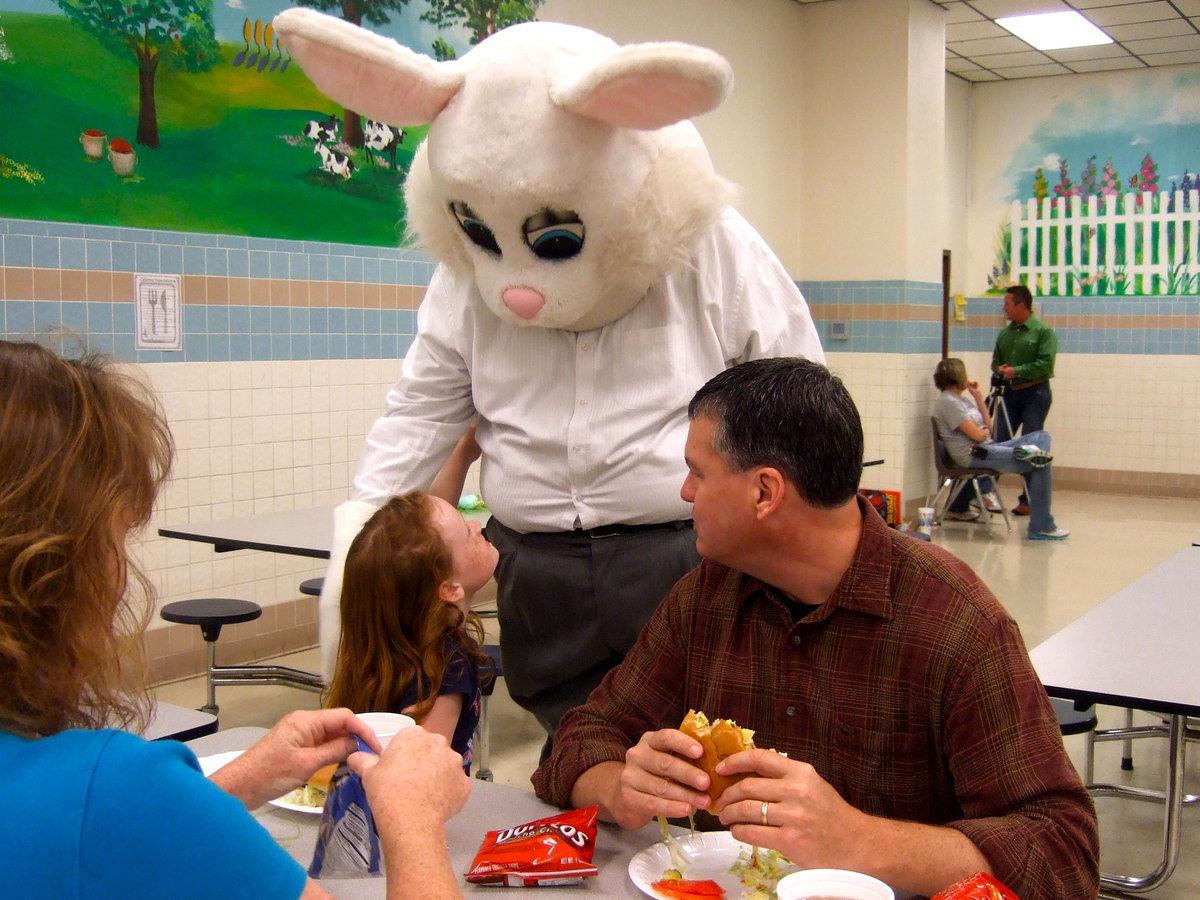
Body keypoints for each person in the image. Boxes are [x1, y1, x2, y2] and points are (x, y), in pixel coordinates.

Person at [273, 12, 825, 758]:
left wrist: (801, 559)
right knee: (572, 758)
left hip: (681, 553)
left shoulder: (710, 246)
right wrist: (360, 548)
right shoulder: (464, 276)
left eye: (555, 239)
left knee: (700, 751)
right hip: (534, 566)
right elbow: (419, 413)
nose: (519, 292)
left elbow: (798, 398)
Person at [532, 358, 1099, 900]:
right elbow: (578, 741)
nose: (684, 492)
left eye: (697, 473)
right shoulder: (707, 596)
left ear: (765, 493)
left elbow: (1062, 857)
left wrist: (859, 839)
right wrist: (618, 785)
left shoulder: (951, 622)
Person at [0, 340, 471, 900]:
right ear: (50, 567)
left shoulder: (96, 799)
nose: (122, 573)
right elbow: (106, 819)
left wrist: (233, 784)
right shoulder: (106, 789)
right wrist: (413, 820)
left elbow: (114, 839)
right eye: (117, 537)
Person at [324, 488, 497, 772]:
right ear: (450, 588)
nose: (478, 526)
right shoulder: (443, 665)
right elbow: (418, 776)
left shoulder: (397, 639)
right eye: (467, 533)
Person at [933, 358, 1067, 541]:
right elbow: (977, 435)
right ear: (959, 375)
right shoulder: (947, 402)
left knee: (1042, 436)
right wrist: (984, 432)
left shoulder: (962, 400)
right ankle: (1042, 526)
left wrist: (979, 397)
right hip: (974, 455)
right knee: (1041, 465)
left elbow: (988, 425)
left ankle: (1027, 451)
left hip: (987, 448)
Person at [992, 284, 1058, 516]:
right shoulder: (1006, 333)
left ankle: (1028, 500)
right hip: (1009, 395)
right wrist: (1000, 370)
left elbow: (1045, 365)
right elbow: (995, 360)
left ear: (1021, 305)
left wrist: (1017, 371)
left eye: (1007, 303)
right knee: (997, 442)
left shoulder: (1042, 332)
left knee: (1030, 448)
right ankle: (985, 494)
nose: (1004, 308)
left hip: (1035, 394)